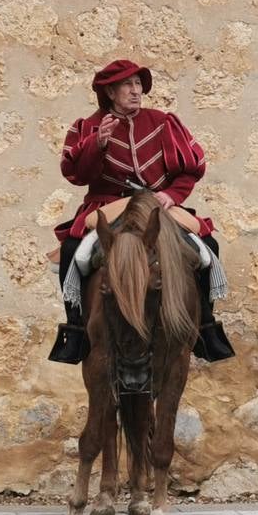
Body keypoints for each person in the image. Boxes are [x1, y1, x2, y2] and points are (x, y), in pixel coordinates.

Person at [48, 58, 234, 364]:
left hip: (156, 205)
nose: (136, 91)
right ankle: (76, 331)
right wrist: (98, 144)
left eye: (138, 84)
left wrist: (172, 195)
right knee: (73, 251)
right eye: (127, 85)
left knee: (207, 248)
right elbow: (77, 175)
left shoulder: (162, 122)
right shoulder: (88, 127)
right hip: (108, 206)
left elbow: (190, 170)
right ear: (110, 92)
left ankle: (206, 326)